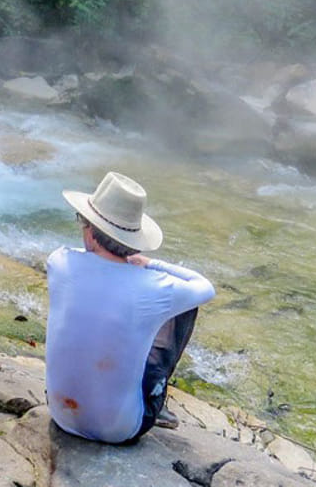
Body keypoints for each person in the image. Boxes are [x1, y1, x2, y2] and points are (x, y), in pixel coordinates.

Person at [45, 171, 215, 444]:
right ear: (133, 241)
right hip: (119, 431)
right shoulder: (154, 286)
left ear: (89, 231)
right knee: (185, 305)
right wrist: (148, 263)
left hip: (62, 415)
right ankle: (155, 396)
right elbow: (205, 288)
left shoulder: (59, 261)